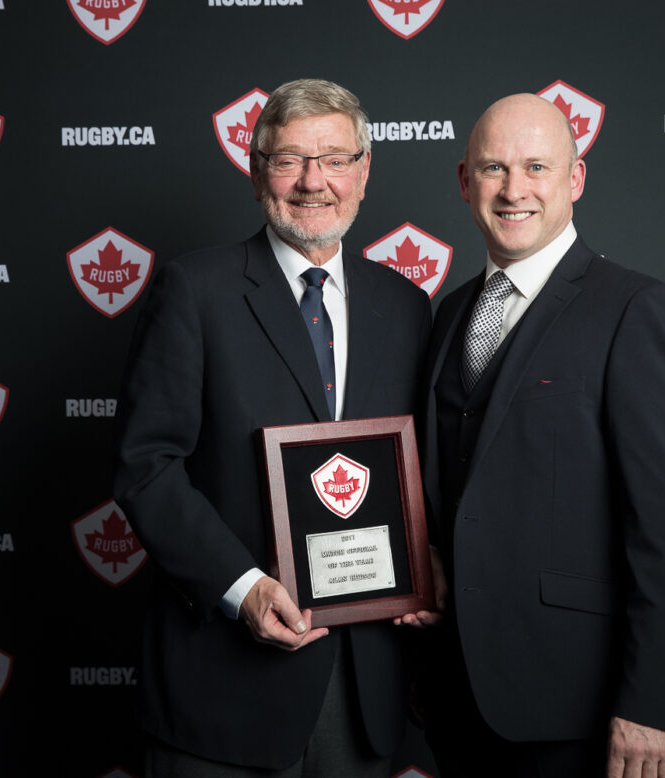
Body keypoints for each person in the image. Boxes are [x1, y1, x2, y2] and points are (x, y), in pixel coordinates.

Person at [113, 78, 432, 777]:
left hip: (360, 695)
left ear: (365, 171)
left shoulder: (406, 307)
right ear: (257, 171)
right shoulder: (195, 292)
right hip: (222, 693)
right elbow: (147, 467)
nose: (314, 182)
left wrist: (425, 566)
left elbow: (421, 468)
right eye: (289, 159)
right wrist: (243, 586)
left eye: (335, 159)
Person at [417, 93, 665, 777]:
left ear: (574, 180)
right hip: (456, 700)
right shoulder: (449, 312)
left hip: (578, 706)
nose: (514, 189)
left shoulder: (636, 310)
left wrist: (653, 703)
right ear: (465, 182)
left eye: (537, 167)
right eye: (493, 168)